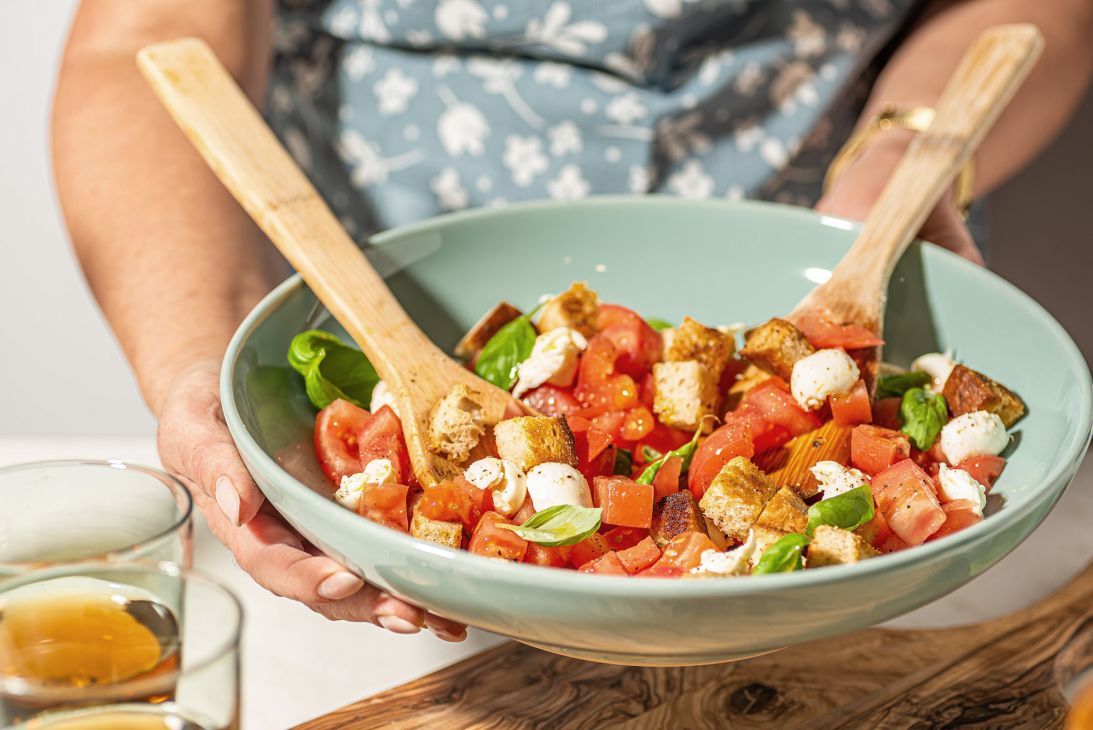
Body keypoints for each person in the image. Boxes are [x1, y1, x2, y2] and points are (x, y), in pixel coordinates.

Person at [53, 0, 1092, 641]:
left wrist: (894, 167)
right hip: (385, 273)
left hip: (814, 223)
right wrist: (200, 354)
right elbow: (145, 34)